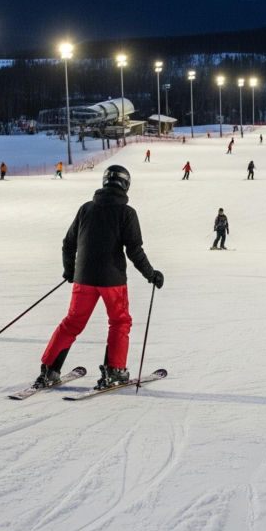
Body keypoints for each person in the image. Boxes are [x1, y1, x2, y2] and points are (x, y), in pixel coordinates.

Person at [37, 165, 163, 390]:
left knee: (72, 323)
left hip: (83, 278)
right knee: (120, 321)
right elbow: (134, 250)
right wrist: (150, 274)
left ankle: (49, 370)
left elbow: (68, 244)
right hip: (112, 280)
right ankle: (114, 371)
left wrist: (70, 271)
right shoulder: (127, 213)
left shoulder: (86, 209)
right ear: (125, 184)